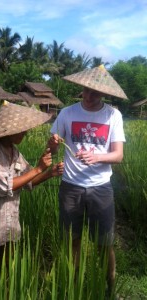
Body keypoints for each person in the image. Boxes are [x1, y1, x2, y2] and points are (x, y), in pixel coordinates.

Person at [47, 65, 127, 295]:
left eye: (96, 93)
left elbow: (118, 155)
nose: (90, 97)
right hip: (71, 187)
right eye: (87, 91)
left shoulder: (113, 115)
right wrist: (52, 144)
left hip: (100, 187)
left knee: (104, 243)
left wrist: (97, 157)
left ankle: (110, 287)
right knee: (72, 240)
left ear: (104, 94)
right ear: (81, 88)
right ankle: (75, 286)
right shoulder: (67, 113)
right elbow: (53, 146)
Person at [0, 101, 64, 271]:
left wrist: (49, 172)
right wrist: (39, 168)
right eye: (21, 129)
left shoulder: (14, 152)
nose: (26, 132)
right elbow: (5, 186)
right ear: (7, 131)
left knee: (8, 271)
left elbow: (28, 180)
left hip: (9, 221)